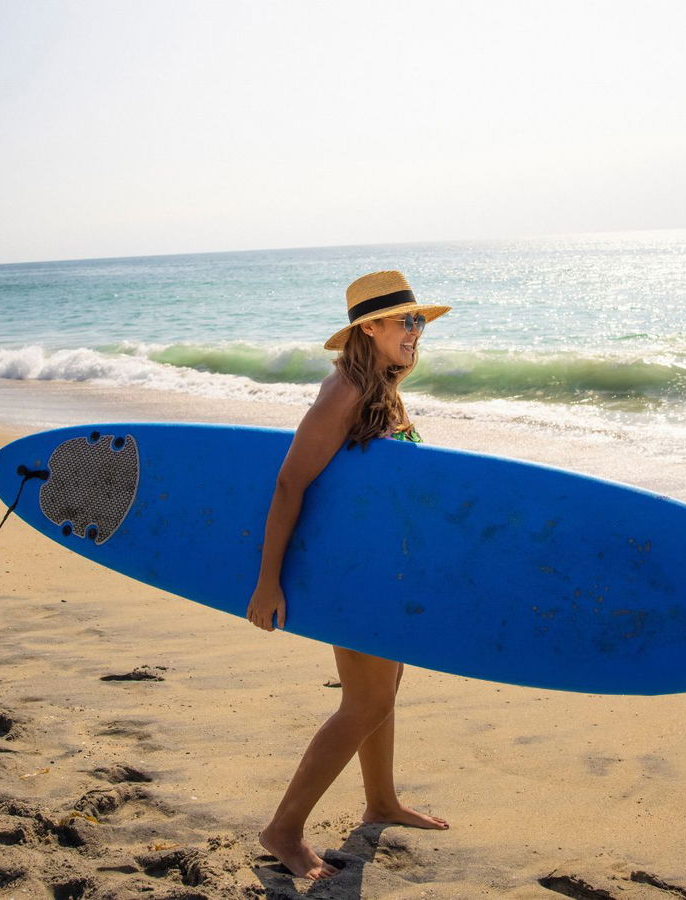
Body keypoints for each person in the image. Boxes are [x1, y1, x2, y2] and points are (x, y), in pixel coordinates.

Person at [245, 270, 453, 880]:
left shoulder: (381, 387)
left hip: (384, 569)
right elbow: (289, 483)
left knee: (384, 694)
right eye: (407, 321)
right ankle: (283, 829)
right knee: (363, 703)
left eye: (421, 322)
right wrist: (268, 581)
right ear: (370, 327)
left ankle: (381, 800)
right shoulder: (345, 392)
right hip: (350, 576)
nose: (417, 331)